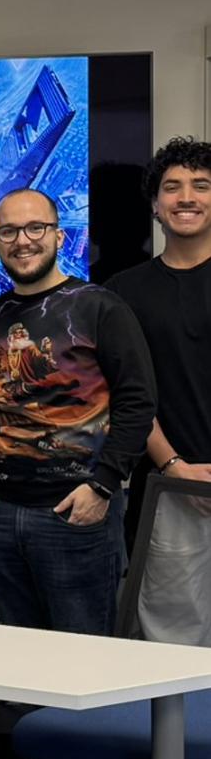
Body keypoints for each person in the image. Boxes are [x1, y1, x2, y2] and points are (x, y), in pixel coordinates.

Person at [0, 188, 155, 759]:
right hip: (5, 512)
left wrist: (105, 483)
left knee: (89, 656)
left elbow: (137, 401)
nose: (22, 239)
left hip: (77, 510)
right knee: (30, 660)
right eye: (8, 230)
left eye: (34, 227)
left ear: (58, 231)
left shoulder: (98, 306)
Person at [107, 138, 211, 645]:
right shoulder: (123, 293)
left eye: (201, 185)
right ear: (155, 205)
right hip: (170, 489)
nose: (186, 196)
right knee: (173, 644)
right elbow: (128, 394)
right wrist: (175, 468)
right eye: (172, 187)